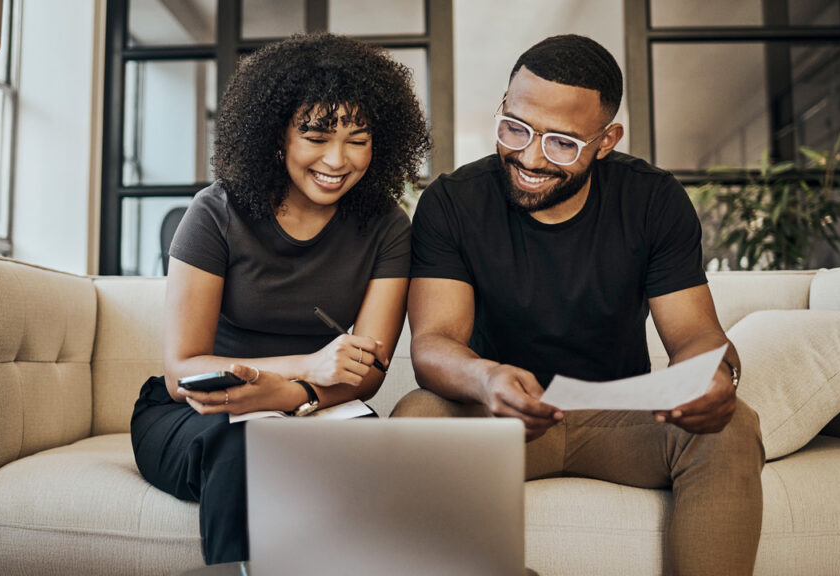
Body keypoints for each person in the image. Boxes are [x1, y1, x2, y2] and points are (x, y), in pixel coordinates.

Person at [393, 35, 764, 576]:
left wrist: (714, 373)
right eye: (514, 128)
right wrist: (485, 379)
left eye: (562, 143)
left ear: (606, 139)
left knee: (731, 427)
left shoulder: (652, 200)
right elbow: (433, 343)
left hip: (621, 418)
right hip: (500, 416)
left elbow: (694, 335)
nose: (528, 156)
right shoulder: (453, 202)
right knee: (416, 416)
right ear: (502, 106)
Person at [131, 33, 429, 565]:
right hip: (203, 410)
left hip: (315, 408)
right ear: (277, 137)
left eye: (358, 139)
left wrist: (290, 396)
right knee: (252, 449)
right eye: (316, 136)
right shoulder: (215, 213)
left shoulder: (387, 226)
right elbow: (182, 371)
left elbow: (367, 372)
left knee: (378, 458)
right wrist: (307, 367)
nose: (338, 160)